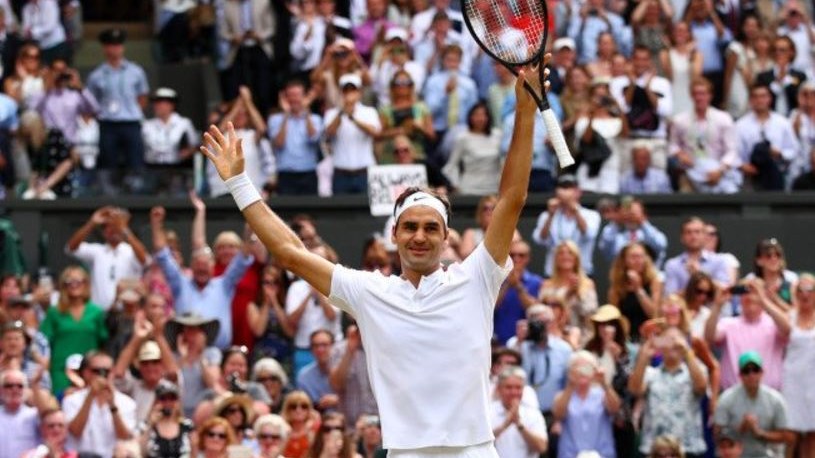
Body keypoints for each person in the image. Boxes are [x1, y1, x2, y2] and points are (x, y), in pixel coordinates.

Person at [200, 57, 548, 457]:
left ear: (446, 235)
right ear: (394, 234)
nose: (420, 236)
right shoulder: (368, 291)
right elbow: (290, 253)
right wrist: (240, 184)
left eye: (431, 228)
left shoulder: (477, 277)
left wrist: (525, 111)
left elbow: (512, 198)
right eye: (411, 227)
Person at [150, 206, 254, 348]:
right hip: (184, 353)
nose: (201, 268)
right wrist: (156, 224)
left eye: (205, 264)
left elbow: (243, 257)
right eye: (198, 264)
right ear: (191, 266)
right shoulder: (180, 283)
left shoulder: (224, 284)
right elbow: (162, 254)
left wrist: (251, 224)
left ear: (213, 267)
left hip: (217, 355)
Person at [86, 28, 149, 195]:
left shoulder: (136, 71)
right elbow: (92, 100)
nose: (114, 49)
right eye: (110, 45)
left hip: (130, 121)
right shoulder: (96, 75)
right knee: (108, 161)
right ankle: (109, 195)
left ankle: (136, 194)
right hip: (108, 123)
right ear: (105, 48)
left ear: (122, 47)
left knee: (135, 160)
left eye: (117, 45)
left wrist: (133, 110)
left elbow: (142, 96)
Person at [629, 324, 709, 457]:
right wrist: (644, 356)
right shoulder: (650, 373)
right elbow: (635, 389)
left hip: (688, 448)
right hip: (656, 450)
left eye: (676, 340)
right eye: (668, 340)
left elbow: (701, 387)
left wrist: (687, 352)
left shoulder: (696, 369)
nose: (672, 344)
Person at [704, 278, 791, 391]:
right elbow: (709, 337)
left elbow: (787, 330)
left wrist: (763, 300)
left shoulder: (773, 323)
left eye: (754, 291)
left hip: (770, 398)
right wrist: (717, 305)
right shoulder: (728, 323)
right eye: (745, 292)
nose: (750, 297)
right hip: (733, 397)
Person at [65, 205, 148, 310]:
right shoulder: (97, 251)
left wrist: (124, 229)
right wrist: (92, 223)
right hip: (98, 313)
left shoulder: (131, 250)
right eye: (109, 226)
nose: (114, 230)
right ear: (104, 232)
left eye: (116, 226)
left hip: (126, 312)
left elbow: (144, 259)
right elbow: (71, 248)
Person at [40, 266, 108, 395]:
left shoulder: (96, 312)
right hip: (60, 370)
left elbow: (103, 341)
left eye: (78, 281)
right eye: (69, 282)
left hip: (90, 370)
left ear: (86, 284)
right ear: (63, 286)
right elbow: (43, 341)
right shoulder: (55, 312)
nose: (74, 285)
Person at [668, 77, 741, 193]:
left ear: (710, 96)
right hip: (691, 172)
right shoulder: (679, 120)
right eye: (696, 94)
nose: (699, 98)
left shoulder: (723, 118)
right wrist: (679, 154)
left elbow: (732, 150)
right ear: (691, 96)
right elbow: (672, 145)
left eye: (702, 93)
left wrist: (720, 171)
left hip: (718, 171)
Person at [713, 351, 791, 458]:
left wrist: (760, 433)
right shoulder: (727, 399)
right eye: (746, 371)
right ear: (740, 375)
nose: (751, 375)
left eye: (755, 370)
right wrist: (739, 429)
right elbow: (717, 433)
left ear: (762, 372)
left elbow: (786, 435)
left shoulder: (776, 400)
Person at [62, 350, 137, 458]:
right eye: (97, 371)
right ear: (86, 372)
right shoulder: (71, 400)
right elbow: (75, 431)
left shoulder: (127, 403)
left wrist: (112, 404)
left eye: (107, 371)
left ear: (113, 372)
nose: (103, 375)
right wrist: (90, 396)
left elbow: (125, 437)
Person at [552, 351, 620, 458]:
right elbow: (558, 415)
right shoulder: (563, 395)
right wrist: (571, 385)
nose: (583, 372)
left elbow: (615, 409)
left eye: (587, 368)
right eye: (579, 369)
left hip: (602, 453)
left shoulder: (601, 394)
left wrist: (605, 384)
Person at [531, 174, 602, 277]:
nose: (565, 192)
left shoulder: (591, 215)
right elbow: (539, 239)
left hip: (581, 274)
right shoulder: (546, 215)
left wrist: (576, 212)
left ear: (578, 192)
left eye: (569, 188)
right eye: (563, 188)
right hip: (553, 274)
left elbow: (589, 235)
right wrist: (551, 215)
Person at [324, 73, 381, 195]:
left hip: (365, 172)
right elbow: (329, 133)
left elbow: (374, 132)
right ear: (341, 93)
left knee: (367, 211)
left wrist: (352, 118)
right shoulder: (331, 113)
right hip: (341, 173)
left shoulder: (369, 112)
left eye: (353, 90)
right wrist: (341, 113)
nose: (349, 94)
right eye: (346, 90)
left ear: (359, 92)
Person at [735, 84, 798, 191]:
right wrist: (743, 165)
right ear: (750, 100)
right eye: (755, 97)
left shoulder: (782, 123)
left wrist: (780, 153)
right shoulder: (740, 125)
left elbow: (794, 150)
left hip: (778, 174)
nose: (759, 100)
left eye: (763, 96)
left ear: (769, 99)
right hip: (751, 176)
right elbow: (735, 153)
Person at [268, 79, 324, 196]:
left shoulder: (315, 119)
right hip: (285, 174)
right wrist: (286, 115)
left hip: (309, 173)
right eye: (290, 96)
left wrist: (306, 111)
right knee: (287, 213)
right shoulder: (275, 119)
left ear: (304, 97)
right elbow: (279, 143)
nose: (294, 99)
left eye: (297, 95)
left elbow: (313, 138)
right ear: (284, 97)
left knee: (309, 213)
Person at [141, 87, 199, 196]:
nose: (157, 106)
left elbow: (195, 145)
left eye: (162, 103)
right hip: (152, 169)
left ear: (171, 105)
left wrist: (185, 153)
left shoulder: (184, 123)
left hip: (176, 169)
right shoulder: (147, 125)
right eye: (156, 103)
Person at [781, 273, 815, 457]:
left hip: (813, 383)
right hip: (792, 381)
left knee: (812, 435)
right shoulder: (789, 316)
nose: (805, 294)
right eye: (800, 290)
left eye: (809, 290)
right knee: (790, 434)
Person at [442, 101, 502, 196]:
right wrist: (455, 185)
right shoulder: (462, 138)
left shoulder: (498, 135)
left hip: (494, 189)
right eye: (477, 115)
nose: (480, 119)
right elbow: (451, 166)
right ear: (470, 117)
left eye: (483, 115)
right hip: (469, 190)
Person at [607, 242, 663, 343]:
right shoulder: (617, 285)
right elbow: (614, 317)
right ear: (624, 260)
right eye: (633, 257)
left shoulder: (654, 281)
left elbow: (654, 314)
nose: (638, 261)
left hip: (648, 337)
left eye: (641, 256)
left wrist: (638, 289)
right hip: (627, 338)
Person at [663, 216, 731, 295]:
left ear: (705, 236)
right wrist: (695, 283)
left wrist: (700, 275)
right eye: (688, 232)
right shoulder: (673, 265)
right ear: (682, 238)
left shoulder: (719, 261)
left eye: (697, 232)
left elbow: (725, 290)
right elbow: (670, 297)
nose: (693, 236)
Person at [490, 366, 548, 458]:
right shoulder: (489, 412)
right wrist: (505, 425)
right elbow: (481, 444)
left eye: (518, 388)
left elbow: (542, 447)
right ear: (499, 389)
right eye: (508, 387)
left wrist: (519, 425)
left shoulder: (533, 414)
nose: (514, 392)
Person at [329, 324, 377, 432]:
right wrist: (349, 352)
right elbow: (336, 384)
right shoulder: (339, 349)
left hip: (381, 428)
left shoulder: (383, 348)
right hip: (350, 428)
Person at [494, 240, 541, 345]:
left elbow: (535, 310)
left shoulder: (536, 282)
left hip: (527, 341)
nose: (516, 259)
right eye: (512, 255)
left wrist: (517, 286)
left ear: (528, 258)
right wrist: (507, 284)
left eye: (521, 255)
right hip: (498, 339)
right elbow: (490, 307)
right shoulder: (496, 280)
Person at [598, 198, 668, 267]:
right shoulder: (616, 235)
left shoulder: (651, 233)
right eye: (627, 212)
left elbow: (661, 245)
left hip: (650, 276)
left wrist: (642, 222)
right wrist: (616, 222)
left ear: (644, 215)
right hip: (622, 276)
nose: (630, 216)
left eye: (633, 213)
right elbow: (605, 249)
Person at [138, 380, 194, 458]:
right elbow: (140, 452)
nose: (168, 403)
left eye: (172, 398)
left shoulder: (187, 426)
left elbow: (194, 453)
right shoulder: (145, 425)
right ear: (156, 401)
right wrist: (150, 424)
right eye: (163, 399)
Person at [755, 36, 807, 117]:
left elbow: (803, 102)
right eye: (775, 50)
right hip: (770, 121)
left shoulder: (800, 76)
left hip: (794, 120)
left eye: (782, 50)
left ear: (791, 52)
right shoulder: (763, 77)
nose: (778, 53)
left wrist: (786, 81)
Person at [0, 369, 40, 457]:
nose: (15, 389)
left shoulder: (35, 415)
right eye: (9, 385)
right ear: (1, 390)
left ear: (26, 390)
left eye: (20, 386)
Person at [297, 329, 339, 411]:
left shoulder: (348, 369)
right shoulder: (304, 376)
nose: (320, 349)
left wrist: (338, 400)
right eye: (316, 345)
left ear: (334, 346)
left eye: (324, 345)